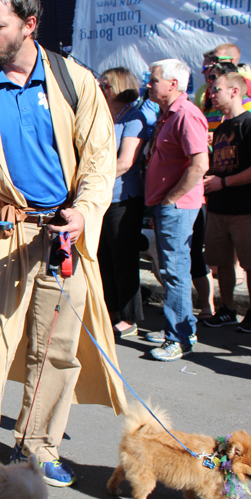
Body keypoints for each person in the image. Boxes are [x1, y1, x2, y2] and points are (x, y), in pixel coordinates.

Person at [0, 0, 125, 487]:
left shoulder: (75, 82)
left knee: (57, 349)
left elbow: (101, 164)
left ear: (29, 25)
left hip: (61, 237)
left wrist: (82, 213)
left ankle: (38, 447)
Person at [144, 59, 209, 361]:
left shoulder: (185, 114)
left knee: (175, 271)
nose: (148, 84)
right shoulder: (167, 115)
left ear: (173, 84)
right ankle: (180, 328)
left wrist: (172, 198)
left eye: (153, 79)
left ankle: (179, 337)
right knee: (171, 270)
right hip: (166, 204)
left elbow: (200, 165)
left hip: (177, 207)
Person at [199, 72, 251, 333]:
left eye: (216, 89)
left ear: (234, 91)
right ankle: (227, 310)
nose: (211, 94)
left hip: (245, 207)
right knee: (221, 261)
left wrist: (225, 183)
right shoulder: (220, 129)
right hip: (219, 206)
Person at [97, 67, 148, 338]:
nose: (101, 88)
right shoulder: (103, 116)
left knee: (124, 260)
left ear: (120, 87)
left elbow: (125, 162)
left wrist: (94, 178)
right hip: (102, 198)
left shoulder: (134, 118)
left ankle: (130, 318)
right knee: (103, 258)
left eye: (106, 84)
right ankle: (111, 311)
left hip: (123, 199)